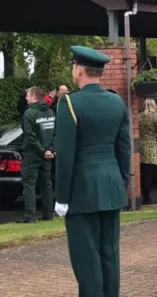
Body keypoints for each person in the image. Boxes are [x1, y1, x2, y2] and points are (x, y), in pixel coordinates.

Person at [54, 46, 131, 297]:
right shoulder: (116, 101)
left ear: (78, 69)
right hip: (111, 188)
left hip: (82, 191)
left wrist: (62, 197)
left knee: (86, 260)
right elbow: (124, 148)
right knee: (109, 255)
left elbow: (65, 156)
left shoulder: (69, 103)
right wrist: (121, 183)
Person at [19, 86, 55, 223]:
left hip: (32, 155)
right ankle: (48, 214)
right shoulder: (51, 112)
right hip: (47, 155)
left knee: (29, 185)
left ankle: (30, 217)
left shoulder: (29, 113)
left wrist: (42, 150)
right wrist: (50, 149)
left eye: (27, 95)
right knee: (46, 184)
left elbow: (29, 136)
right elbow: (55, 133)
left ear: (34, 97)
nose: (26, 98)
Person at [139, 99, 157, 205]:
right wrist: (155, 136)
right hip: (152, 147)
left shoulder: (139, 116)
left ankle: (144, 195)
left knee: (143, 173)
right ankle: (147, 197)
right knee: (150, 173)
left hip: (141, 146)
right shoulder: (155, 116)